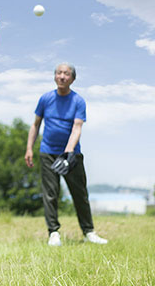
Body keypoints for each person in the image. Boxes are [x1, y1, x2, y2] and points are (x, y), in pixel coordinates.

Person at [24, 63, 107, 246]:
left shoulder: (78, 101)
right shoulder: (45, 99)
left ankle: (89, 232)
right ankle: (53, 233)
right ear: (55, 76)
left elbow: (77, 128)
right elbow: (35, 125)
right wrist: (29, 148)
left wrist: (68, 152)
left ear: (72, 78)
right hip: (48, 153)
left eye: (66, 74)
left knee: (80, 194)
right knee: (50, 194)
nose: (62, 76)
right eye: (59, 73)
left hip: (71, 155)